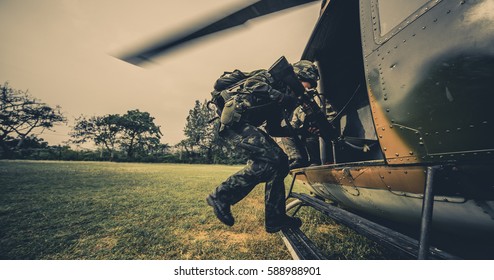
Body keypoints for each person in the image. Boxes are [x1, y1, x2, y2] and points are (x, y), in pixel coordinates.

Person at [206, 60, 319, 233]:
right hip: (234, 122)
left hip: (245, 125)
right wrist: (283, 98)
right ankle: (221, 195)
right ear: (298, 76)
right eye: (308, 84)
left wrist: (302, 130)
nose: (308, 89)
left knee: (280, 165)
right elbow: (253, 84)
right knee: (274, 158)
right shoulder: (273, 77)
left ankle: (275, 218)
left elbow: (273, 128)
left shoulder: (287, 98)